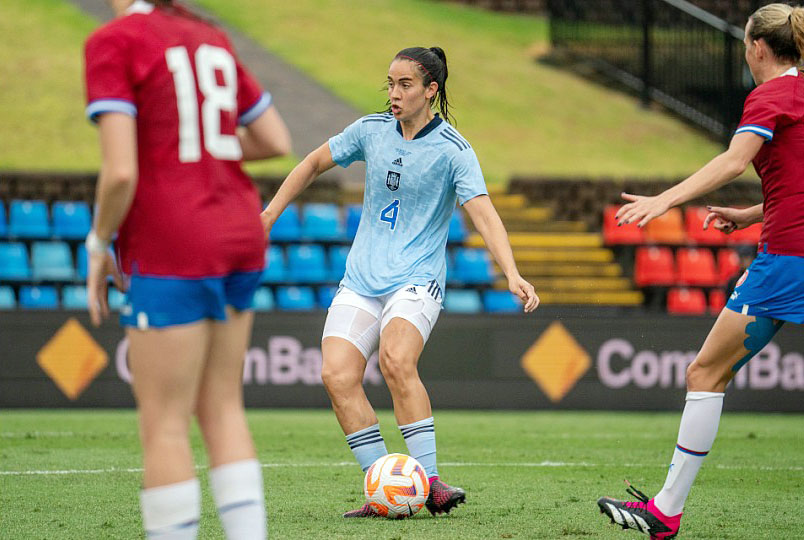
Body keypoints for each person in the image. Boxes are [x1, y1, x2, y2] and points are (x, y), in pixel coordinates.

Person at [261, 46, 539, 517]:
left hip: (417, 279)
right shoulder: (370, 131)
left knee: (395, 359)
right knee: (337, 376)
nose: (393, 93)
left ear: (432, 90)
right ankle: (383, 490)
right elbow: (311, 162)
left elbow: (484, 216)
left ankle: (429, 484)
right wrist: (268, 215)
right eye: (389, 83)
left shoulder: (454, 150)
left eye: (404, 85)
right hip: (362, 279)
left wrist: (511, 272)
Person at [84, 1, 291, 538]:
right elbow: (274, 140)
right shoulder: (210, 35)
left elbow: (121, 172)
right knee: (223, 408)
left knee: (165, 425)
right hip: (238, 232)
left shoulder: (116, 39)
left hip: (173, 241)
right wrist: (199, 151)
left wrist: (98, 240)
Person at [597, 4, 804, 538]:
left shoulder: (771, 95)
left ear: (756, 46)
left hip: (788, 261)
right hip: (786, 246)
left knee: (705, 374)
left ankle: (666, 511)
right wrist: (750, 214)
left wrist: (665, 200)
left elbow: (734, 161)